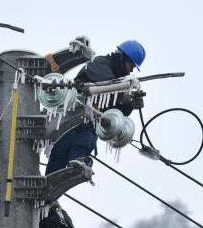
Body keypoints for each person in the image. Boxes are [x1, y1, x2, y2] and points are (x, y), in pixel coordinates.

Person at [44, 40, 146, 175]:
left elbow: (115, 111)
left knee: (88, 136)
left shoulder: (117, 79)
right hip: (71, 117)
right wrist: (124, 88)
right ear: (122, 58)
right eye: (130, 65)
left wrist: (131, 103)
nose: (131, 70)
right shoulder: (99, 63)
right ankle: (51, 179)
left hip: (88, 122)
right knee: (63, 149)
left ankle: (77, 163)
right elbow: (106, 84)